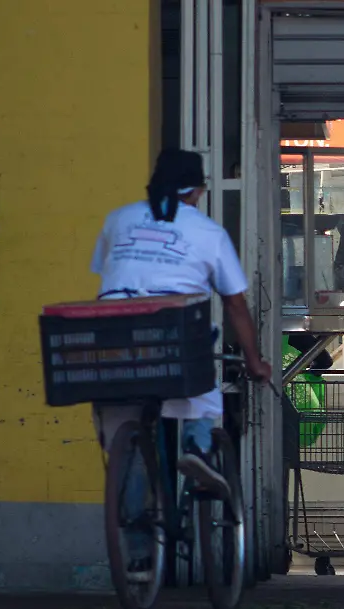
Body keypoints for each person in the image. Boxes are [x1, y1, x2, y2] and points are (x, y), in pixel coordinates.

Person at [91, 149, 272, 499]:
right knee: (201, 351)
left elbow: (107, 275)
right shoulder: (209, 232)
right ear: (198, 192)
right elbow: (234, 303)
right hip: (172, 342)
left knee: (125, 442)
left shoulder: (117, 219)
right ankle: (197, 446)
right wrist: (254, 361)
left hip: (111, 343)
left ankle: (135, 544)